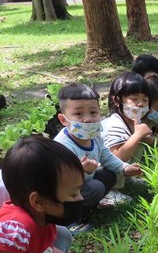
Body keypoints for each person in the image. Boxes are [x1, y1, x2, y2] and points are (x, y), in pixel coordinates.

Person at [54, 83, 141, 231]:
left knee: (110, 174)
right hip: (64, 196)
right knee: (95, 187)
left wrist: (124, 168)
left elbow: (105, 155)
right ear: (63, 120)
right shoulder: (63, 146)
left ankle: (89, 208)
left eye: (93, 112)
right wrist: (80, 170)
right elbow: (58, 182)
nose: (88, 119)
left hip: (82, 186)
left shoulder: (94, 135)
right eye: (79, 114)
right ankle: (70, 221)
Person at [101, 72, 154, 163]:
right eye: (134, 99)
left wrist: (149, 140)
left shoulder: (136, 122)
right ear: (117, 101)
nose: (141, 104)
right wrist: (138, 136)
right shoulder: (114, 125)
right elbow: (115, 158)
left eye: (145, 100)